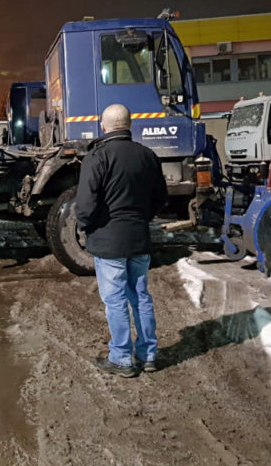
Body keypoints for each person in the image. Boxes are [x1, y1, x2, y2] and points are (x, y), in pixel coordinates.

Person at [74, 104, 168, 378]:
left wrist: (86, 226)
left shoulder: (97, 157)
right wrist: (142, 217)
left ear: (103, 126)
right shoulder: (147, 156)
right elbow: (160, 197)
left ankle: (122, 359)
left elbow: (85, 205)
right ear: (130, 125)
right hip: (138, 239)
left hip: (108, 242)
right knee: (140, 296)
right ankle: (148, 355)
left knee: (115, 300)